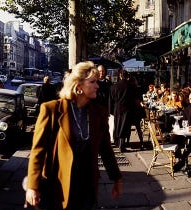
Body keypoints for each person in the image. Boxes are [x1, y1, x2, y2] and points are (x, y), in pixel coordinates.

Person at [25, 61, 122, 209]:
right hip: (58, 184)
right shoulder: (51, 110)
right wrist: (33, 186)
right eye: (93, 82)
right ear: (78, 86)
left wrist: (116, 178)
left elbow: (106, 148)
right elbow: (38, 151)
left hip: (88, 184)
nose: (98, 85)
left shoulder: (98, 112)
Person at [110, 69, 139, 152]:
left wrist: (111, 110)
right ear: (127, 76)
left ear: (120, 75)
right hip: (127, 109)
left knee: (117, 126)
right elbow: (134, 99)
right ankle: (122, 145)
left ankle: (117, 142)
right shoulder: (131, 86)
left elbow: (111, 100)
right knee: (125, 127)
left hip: (117, 109)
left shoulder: (114, 87)